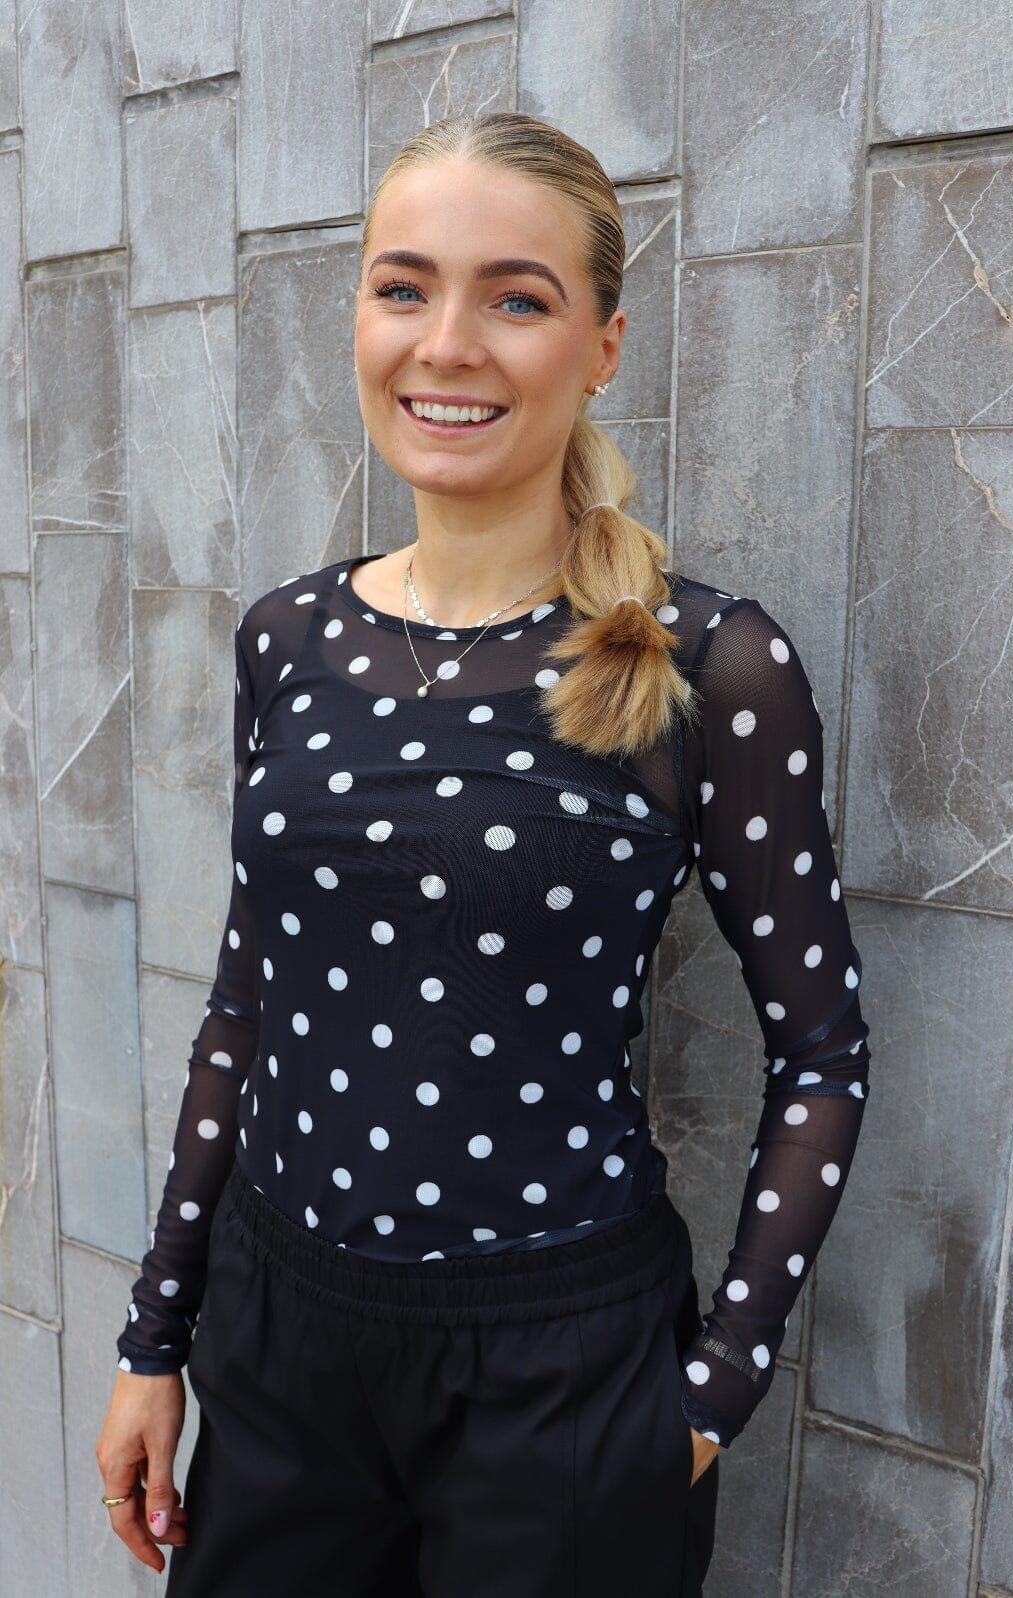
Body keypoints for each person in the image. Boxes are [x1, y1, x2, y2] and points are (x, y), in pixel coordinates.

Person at [95, 110, 871, 1597]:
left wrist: (710, 1394)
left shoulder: (709, 664)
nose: (445, 344)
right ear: (360, 315)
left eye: (515, 298)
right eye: (404, 287)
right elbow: (249, 1005)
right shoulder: (288, 638)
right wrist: (156, 1339)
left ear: (602, 347)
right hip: (277, 1346)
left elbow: (824, 1050)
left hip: (561, 1377)